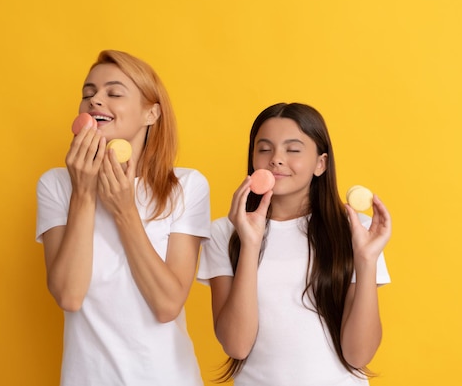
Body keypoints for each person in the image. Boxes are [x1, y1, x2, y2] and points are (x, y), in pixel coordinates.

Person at [36, 50, 210, 386]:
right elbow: (69, 296)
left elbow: (167, 305)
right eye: (88, 94)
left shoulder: (186, 186)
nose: (95, 100)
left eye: (113, 93)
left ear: (151, 113)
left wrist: (125, 210)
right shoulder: (56, 185)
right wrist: (84, 194)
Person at [197, 102, 392, 385]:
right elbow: (236, 345)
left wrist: (366, 260)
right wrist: (250, 245)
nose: (276, 159)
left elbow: (359, 355)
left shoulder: (357, 230)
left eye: (293, 149)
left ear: (320, 163)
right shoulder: (224, 231)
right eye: (264, 149)